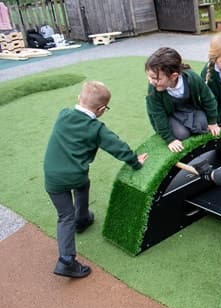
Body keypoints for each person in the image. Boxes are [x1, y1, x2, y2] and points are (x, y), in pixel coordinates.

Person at [44, 81, 148, 278]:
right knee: (81, 186)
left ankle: (81, 219)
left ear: (78, 99)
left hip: (51, 178)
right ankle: (66, 260)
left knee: (64, 216)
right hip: (75, 175)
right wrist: (135, 162)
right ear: (101, 109)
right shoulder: (96, 128)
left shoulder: (63, 114)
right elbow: (117, 147)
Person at [145, 47, 220, 153]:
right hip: (170, 115)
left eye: (156, 78)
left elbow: (208, 98)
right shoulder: (154, 89)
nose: (151, 81)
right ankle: (181, 129)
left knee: (203, 125)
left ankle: (191, 126)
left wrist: (213, 122)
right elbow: (157, 115)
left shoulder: (192, 78)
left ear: (173, 76)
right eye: (150, 77)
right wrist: (169, 139)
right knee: (182, 134)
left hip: (189, 110)